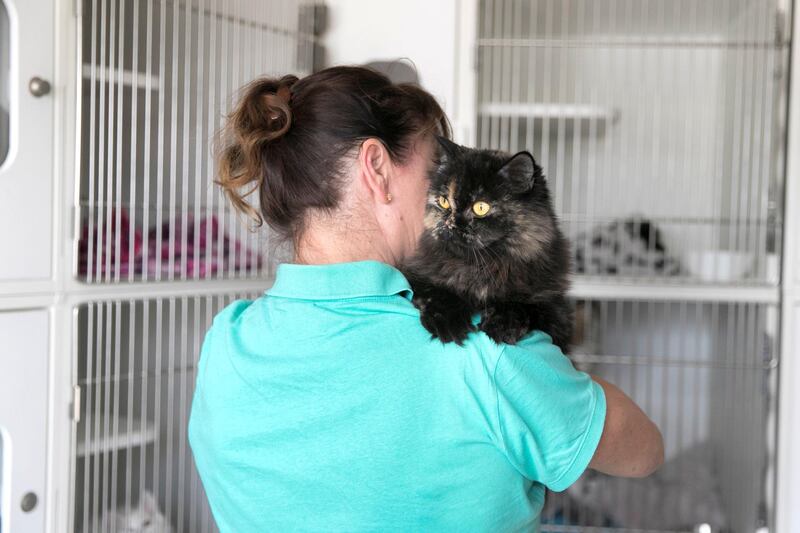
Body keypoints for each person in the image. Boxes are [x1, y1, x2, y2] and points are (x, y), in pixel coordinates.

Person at [188, 66, 663, 532]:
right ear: (377, 168)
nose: (440, 186)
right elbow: (645, 452)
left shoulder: (225, 344)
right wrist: (546, 373)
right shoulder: (485, 354)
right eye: (434, 164)